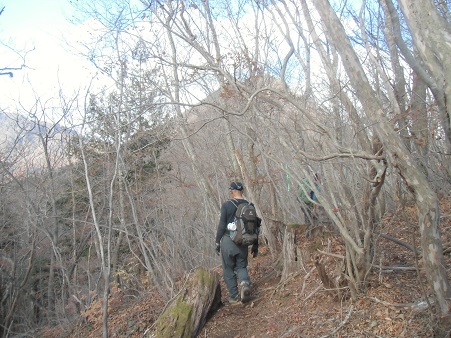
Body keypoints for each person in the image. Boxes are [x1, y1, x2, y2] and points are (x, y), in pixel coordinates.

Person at [215, 181, 258, 305]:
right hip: (243, 242)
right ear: (242, 191)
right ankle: (244, 283)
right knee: (241, 266)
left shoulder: (227, 205)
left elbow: (222, 225)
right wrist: (255, 245)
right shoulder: (249, 205)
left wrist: (217, 242)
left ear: (231, 191)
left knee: (228, 269)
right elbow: (256, 226)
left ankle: (234, 297)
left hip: (228, 241)